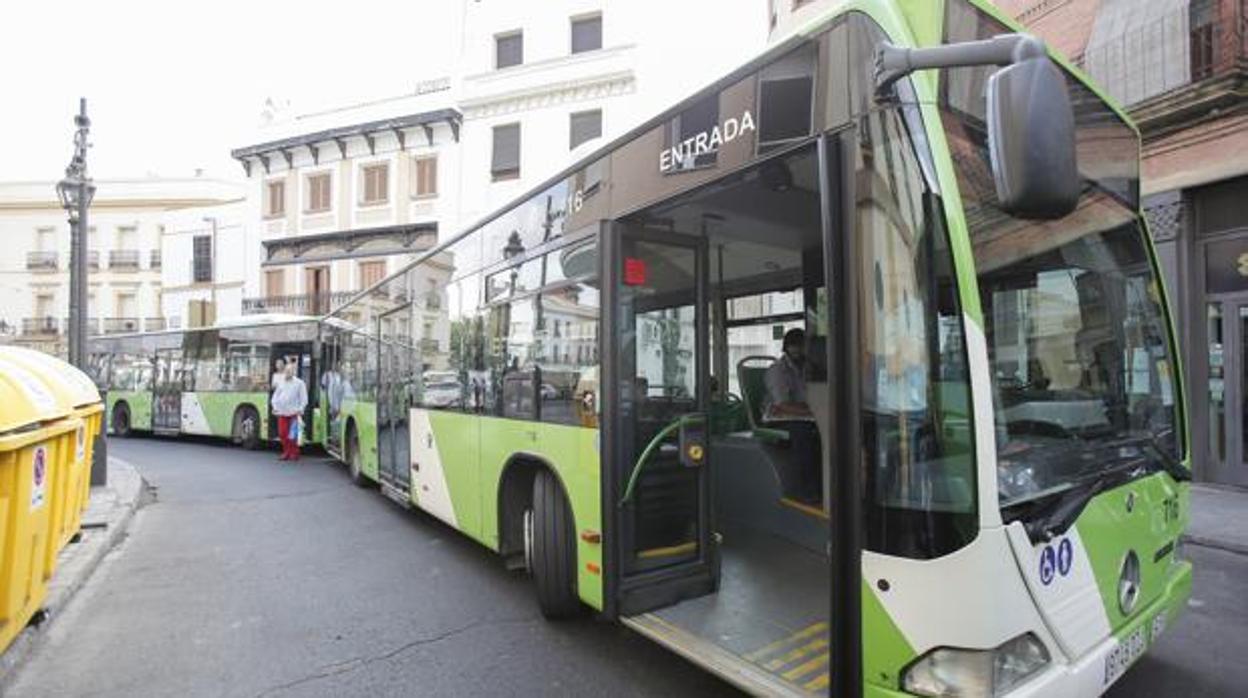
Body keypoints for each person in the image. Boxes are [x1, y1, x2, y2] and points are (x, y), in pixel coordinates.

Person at [762, 328, 821, 504]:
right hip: (777, 419)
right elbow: (782, 405)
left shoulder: (804, 369)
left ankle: (823, 485)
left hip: (799, 415)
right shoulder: (778, 371)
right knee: (802, 434)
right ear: (790, 347)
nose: (803, 351)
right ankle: (806, 490)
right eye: (800, 346)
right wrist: (811, 412)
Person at [272, 358, 308, 462]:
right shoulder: (281, 382)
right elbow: (275, 397)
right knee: (282, 434)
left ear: (293, 372)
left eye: (290, 371)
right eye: (286, 371)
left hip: (294, 413)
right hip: (282, 413)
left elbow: (304, 398)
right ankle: (286, 452)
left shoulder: (299, 383)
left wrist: (301, 409)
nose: (287, 373)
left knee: (292, 435)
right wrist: (275, 408)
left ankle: (294, 453)